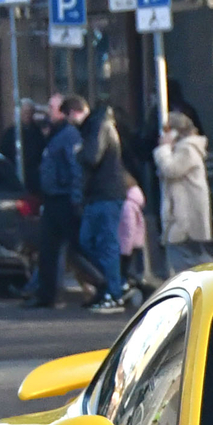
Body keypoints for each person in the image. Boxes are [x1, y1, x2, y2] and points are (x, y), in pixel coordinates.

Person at [24, 99, 84, 309]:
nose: (48, 112)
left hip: (64, 198)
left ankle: (103, 284)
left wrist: (76, 198)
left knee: (77, 247)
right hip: (51, 198)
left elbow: (75, 168)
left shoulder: (68, 135)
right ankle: (47, 293)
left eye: (52, 108)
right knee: (48, 248)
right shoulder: (54, 134)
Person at [75, 100, 131, 313]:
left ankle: (112, 292)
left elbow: (91, 157)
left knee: (106, 244)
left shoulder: (100, 126)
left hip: (106, 193)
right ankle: (105, 286)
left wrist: (78, 152)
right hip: (98, 194)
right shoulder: (98, 126)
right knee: (89, 241)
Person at [153, 109, 211, 278]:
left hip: (183, 216)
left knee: (183, 259)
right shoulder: (184, 148)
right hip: (182, 214)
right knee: (192, 257)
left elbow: (171, 169)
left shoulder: (187, 149)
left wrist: (164, 148)